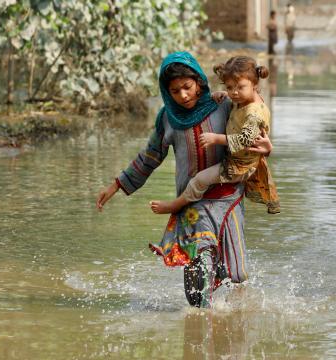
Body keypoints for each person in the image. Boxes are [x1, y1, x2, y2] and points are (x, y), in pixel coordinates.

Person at [95, 52, 273, 308]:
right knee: (198, 283)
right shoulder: (167, 119)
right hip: (191, 204)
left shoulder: (224, 105)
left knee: (238, 274)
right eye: (175, 91)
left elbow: (254, 130)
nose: (184, 95)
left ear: (199, 82)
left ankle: (234, 331)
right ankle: (200, 326)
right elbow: (149, 157)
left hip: (229, 199)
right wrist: (116, 185)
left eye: (187, 87)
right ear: (167, 93)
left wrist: (267, 148)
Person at [150, 56, 280, 215]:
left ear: (255, 84)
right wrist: (224, 93)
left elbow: (245, 140)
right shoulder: (242, 101)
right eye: (230, 87)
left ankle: (175, 205)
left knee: (199, 180)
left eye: (239, 87)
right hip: (239, 160)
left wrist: (216, 139)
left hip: (239, 165)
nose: (234, 92)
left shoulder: (254, 113)